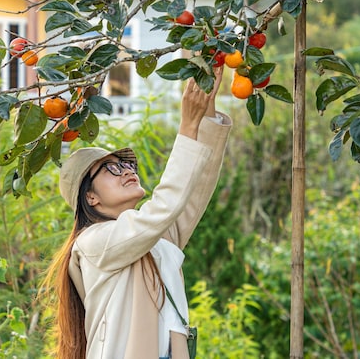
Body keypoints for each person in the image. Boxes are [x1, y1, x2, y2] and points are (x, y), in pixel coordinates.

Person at [43, 69, 231, 358]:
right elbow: (163, 206)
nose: (127, 171)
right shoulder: (93, 243)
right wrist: (187, 126)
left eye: (128, 165)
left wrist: (206, 112)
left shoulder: (151, 241)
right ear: (90, 197)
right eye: (111, 168)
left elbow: (192, 192)